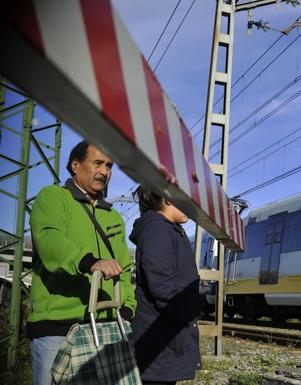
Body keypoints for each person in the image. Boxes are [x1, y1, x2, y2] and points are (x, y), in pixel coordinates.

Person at [28, 140, 137, 385]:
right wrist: (88, 262)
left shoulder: (113, 216)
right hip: (58, 329)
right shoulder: (53, 198)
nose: (105, 171)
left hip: (106, 327)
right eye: (97, 163)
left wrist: (128, 308)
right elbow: (49, 239)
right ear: (75, 165)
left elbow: (125, 267)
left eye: (109, 166)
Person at [129, 186, 200, 385]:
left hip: (164, 337)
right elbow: (162, 285)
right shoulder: (158, 231)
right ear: (168, 199)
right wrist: (187, 312)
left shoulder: (167, 229)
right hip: (158, 340)